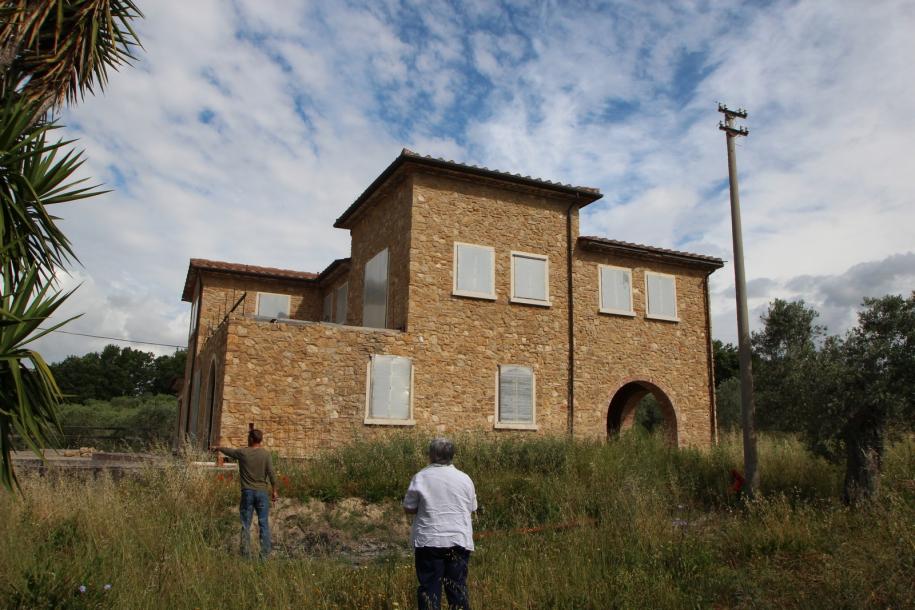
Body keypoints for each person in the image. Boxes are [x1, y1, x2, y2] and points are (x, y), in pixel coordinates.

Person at [403, 437, 477, 610]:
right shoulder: (465, 479)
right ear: (452, 456)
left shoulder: (421, 477)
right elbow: (472, 507)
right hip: (458, 539)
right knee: (457, 589)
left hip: (429, 540)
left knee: (429, 590)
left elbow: (409, 507)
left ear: (432, 455)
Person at [214, 429, 278, 558]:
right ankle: (264, 556)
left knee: (245, 524)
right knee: (263, 523)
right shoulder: (266, 455)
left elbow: (229, 451)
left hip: (247, 492)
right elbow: (272, 474)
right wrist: (274, 491)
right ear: (260, 440)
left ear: (250, 439)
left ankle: (245, 555)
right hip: (262, 493)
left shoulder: (243, 453)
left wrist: (218, 448)